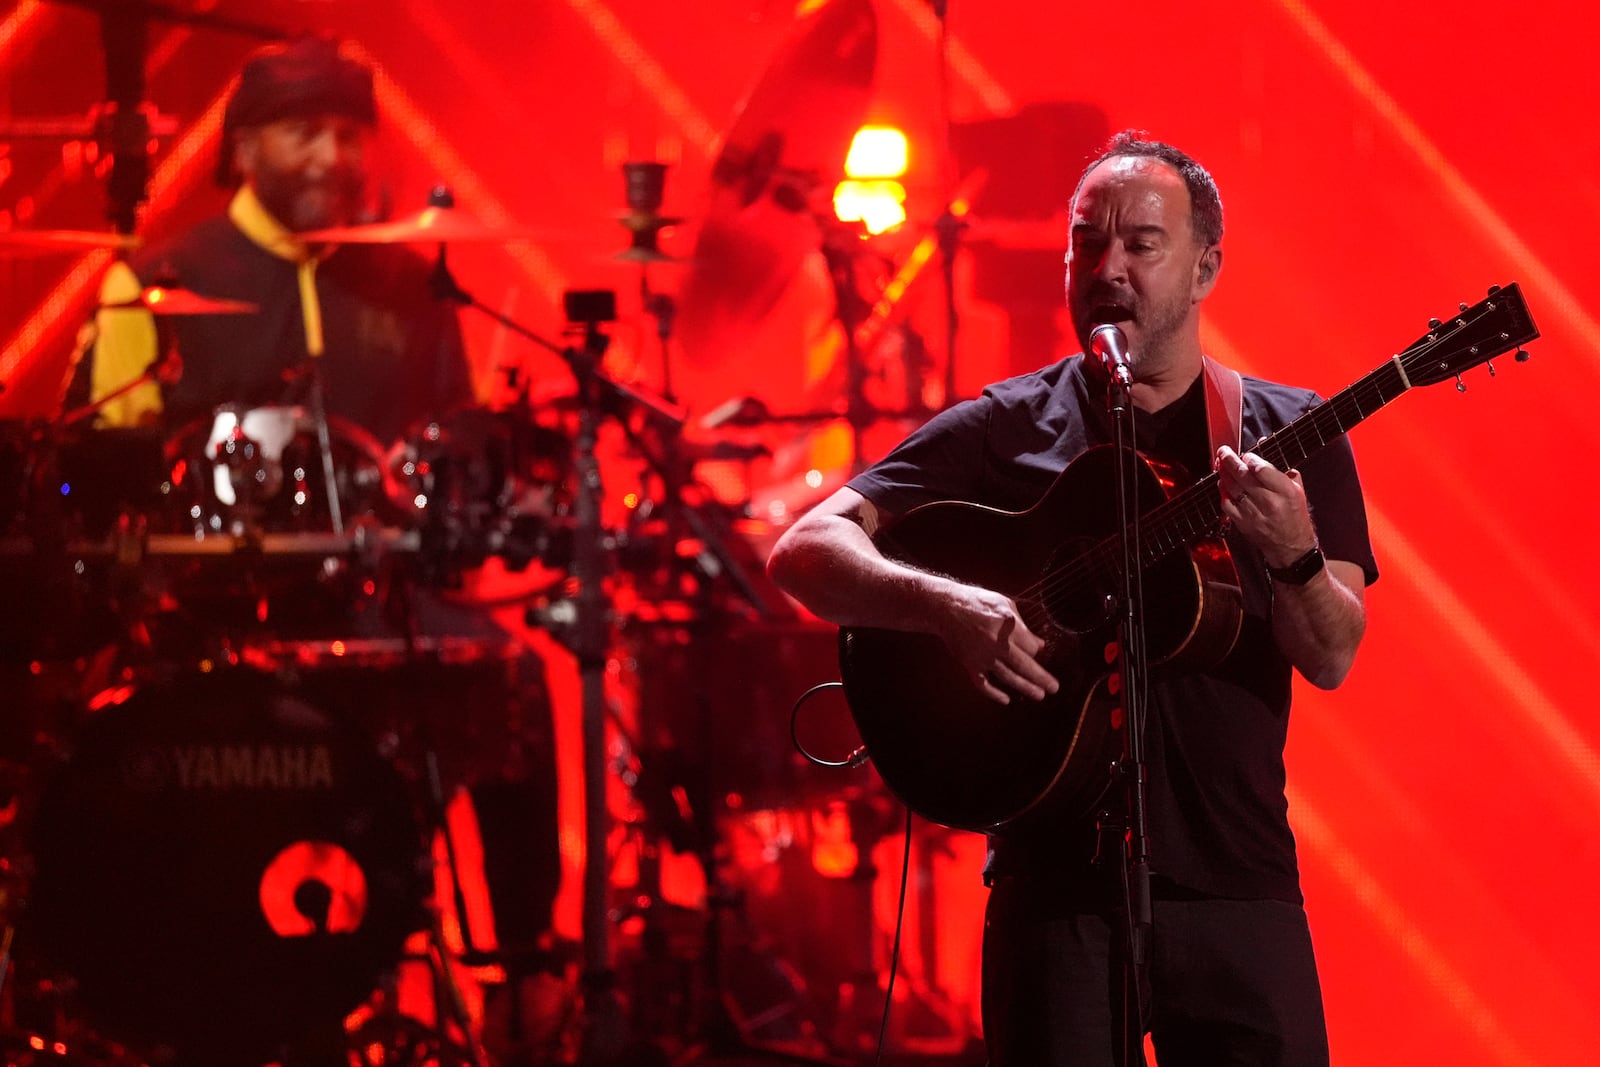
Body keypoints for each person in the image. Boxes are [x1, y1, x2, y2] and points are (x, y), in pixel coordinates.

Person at [766, 132, 1377, 1065]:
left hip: (1235, 885)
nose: (1108, 267)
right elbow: (806, 548)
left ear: (1206, 266)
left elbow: (1331, 656)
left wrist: (1295, 555)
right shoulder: (1008, 424)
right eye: (1087, 244)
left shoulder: (1288, 433)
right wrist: (944, 608)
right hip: (1051, 897)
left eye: (1141, 243)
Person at [64, 35, 471, 444]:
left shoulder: (418, 290)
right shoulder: (151, 286)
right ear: (244, 152)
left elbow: (458, 458)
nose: (331, 157)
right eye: (304, 133)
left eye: (348, 137)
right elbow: (104, 471)